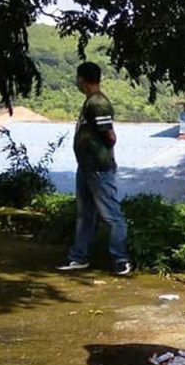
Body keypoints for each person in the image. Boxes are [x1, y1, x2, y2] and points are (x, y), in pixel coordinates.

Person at [56, 62, 131, 276]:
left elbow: (110, 136)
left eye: (77, 77)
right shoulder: (90, 102)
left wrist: (100, 152)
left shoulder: (98, 103)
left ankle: (120, 259)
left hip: (98, 168)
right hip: (86, 167)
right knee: (85, 214)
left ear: (82, 79)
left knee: (111, 215)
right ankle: (79, 257)